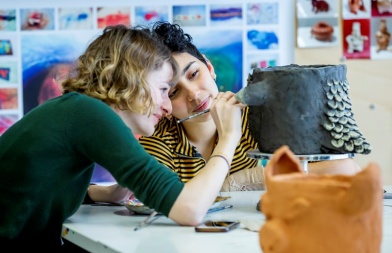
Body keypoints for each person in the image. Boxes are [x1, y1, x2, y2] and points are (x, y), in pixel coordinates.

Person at [0, 24, 245, 251]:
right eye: (163, 90)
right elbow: (189, 210)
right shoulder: (90, 114)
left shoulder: (77, 110)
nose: (167, 107)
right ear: (132, 78)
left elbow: (36, 186)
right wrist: (229, 137)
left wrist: (105, 194)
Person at [87, 21, 361, 204]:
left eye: (194, 74)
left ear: (209, 67)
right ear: (163, 103)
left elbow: (344, 168)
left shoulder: (259, 120)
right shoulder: (159, 140)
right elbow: (175, 201)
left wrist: (233, 183)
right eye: (172, 92)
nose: (193, 94)